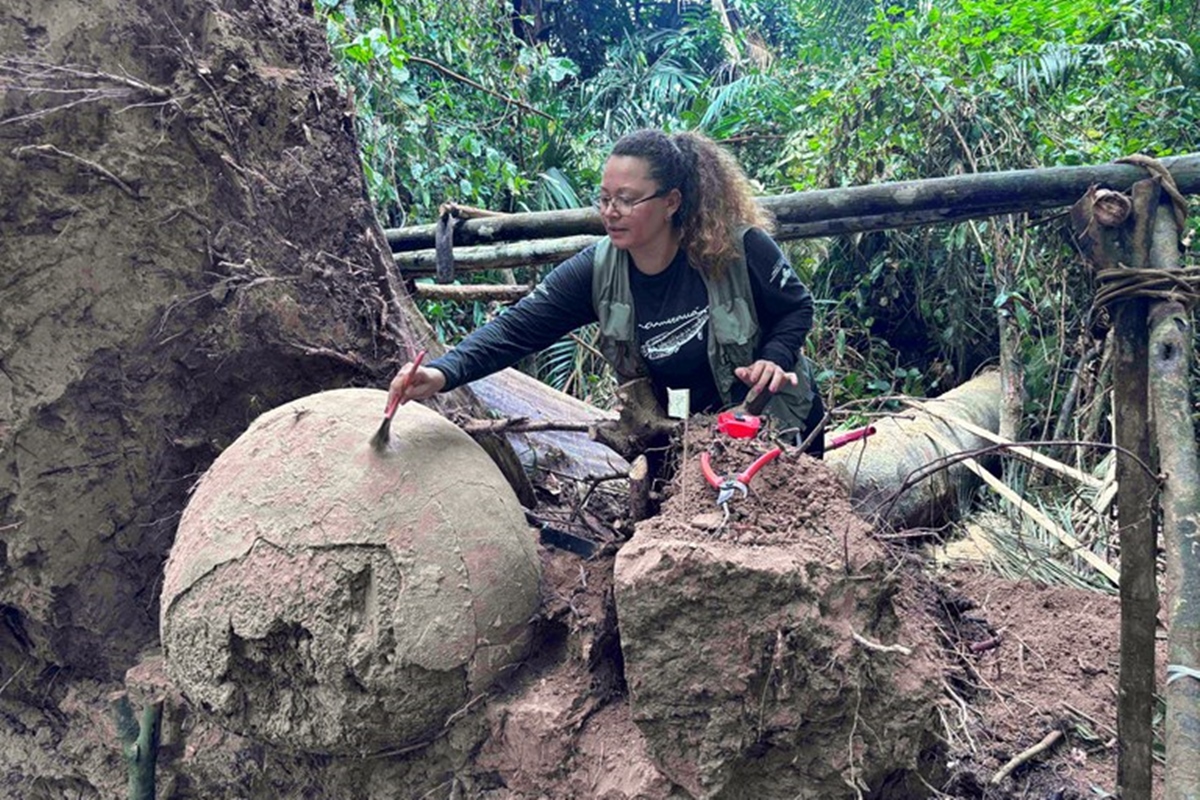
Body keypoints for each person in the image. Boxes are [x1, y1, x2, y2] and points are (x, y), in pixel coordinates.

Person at [388, 128, 826, 456]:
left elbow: (796, 309)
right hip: (685, 442)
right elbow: (518, 327)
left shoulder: (739, 248)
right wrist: (443, 373)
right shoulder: (598, 270)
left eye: (627, 200)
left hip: (774, 431)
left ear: (671, 202)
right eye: (604, 199)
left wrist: (775, 356)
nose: (610, 213)